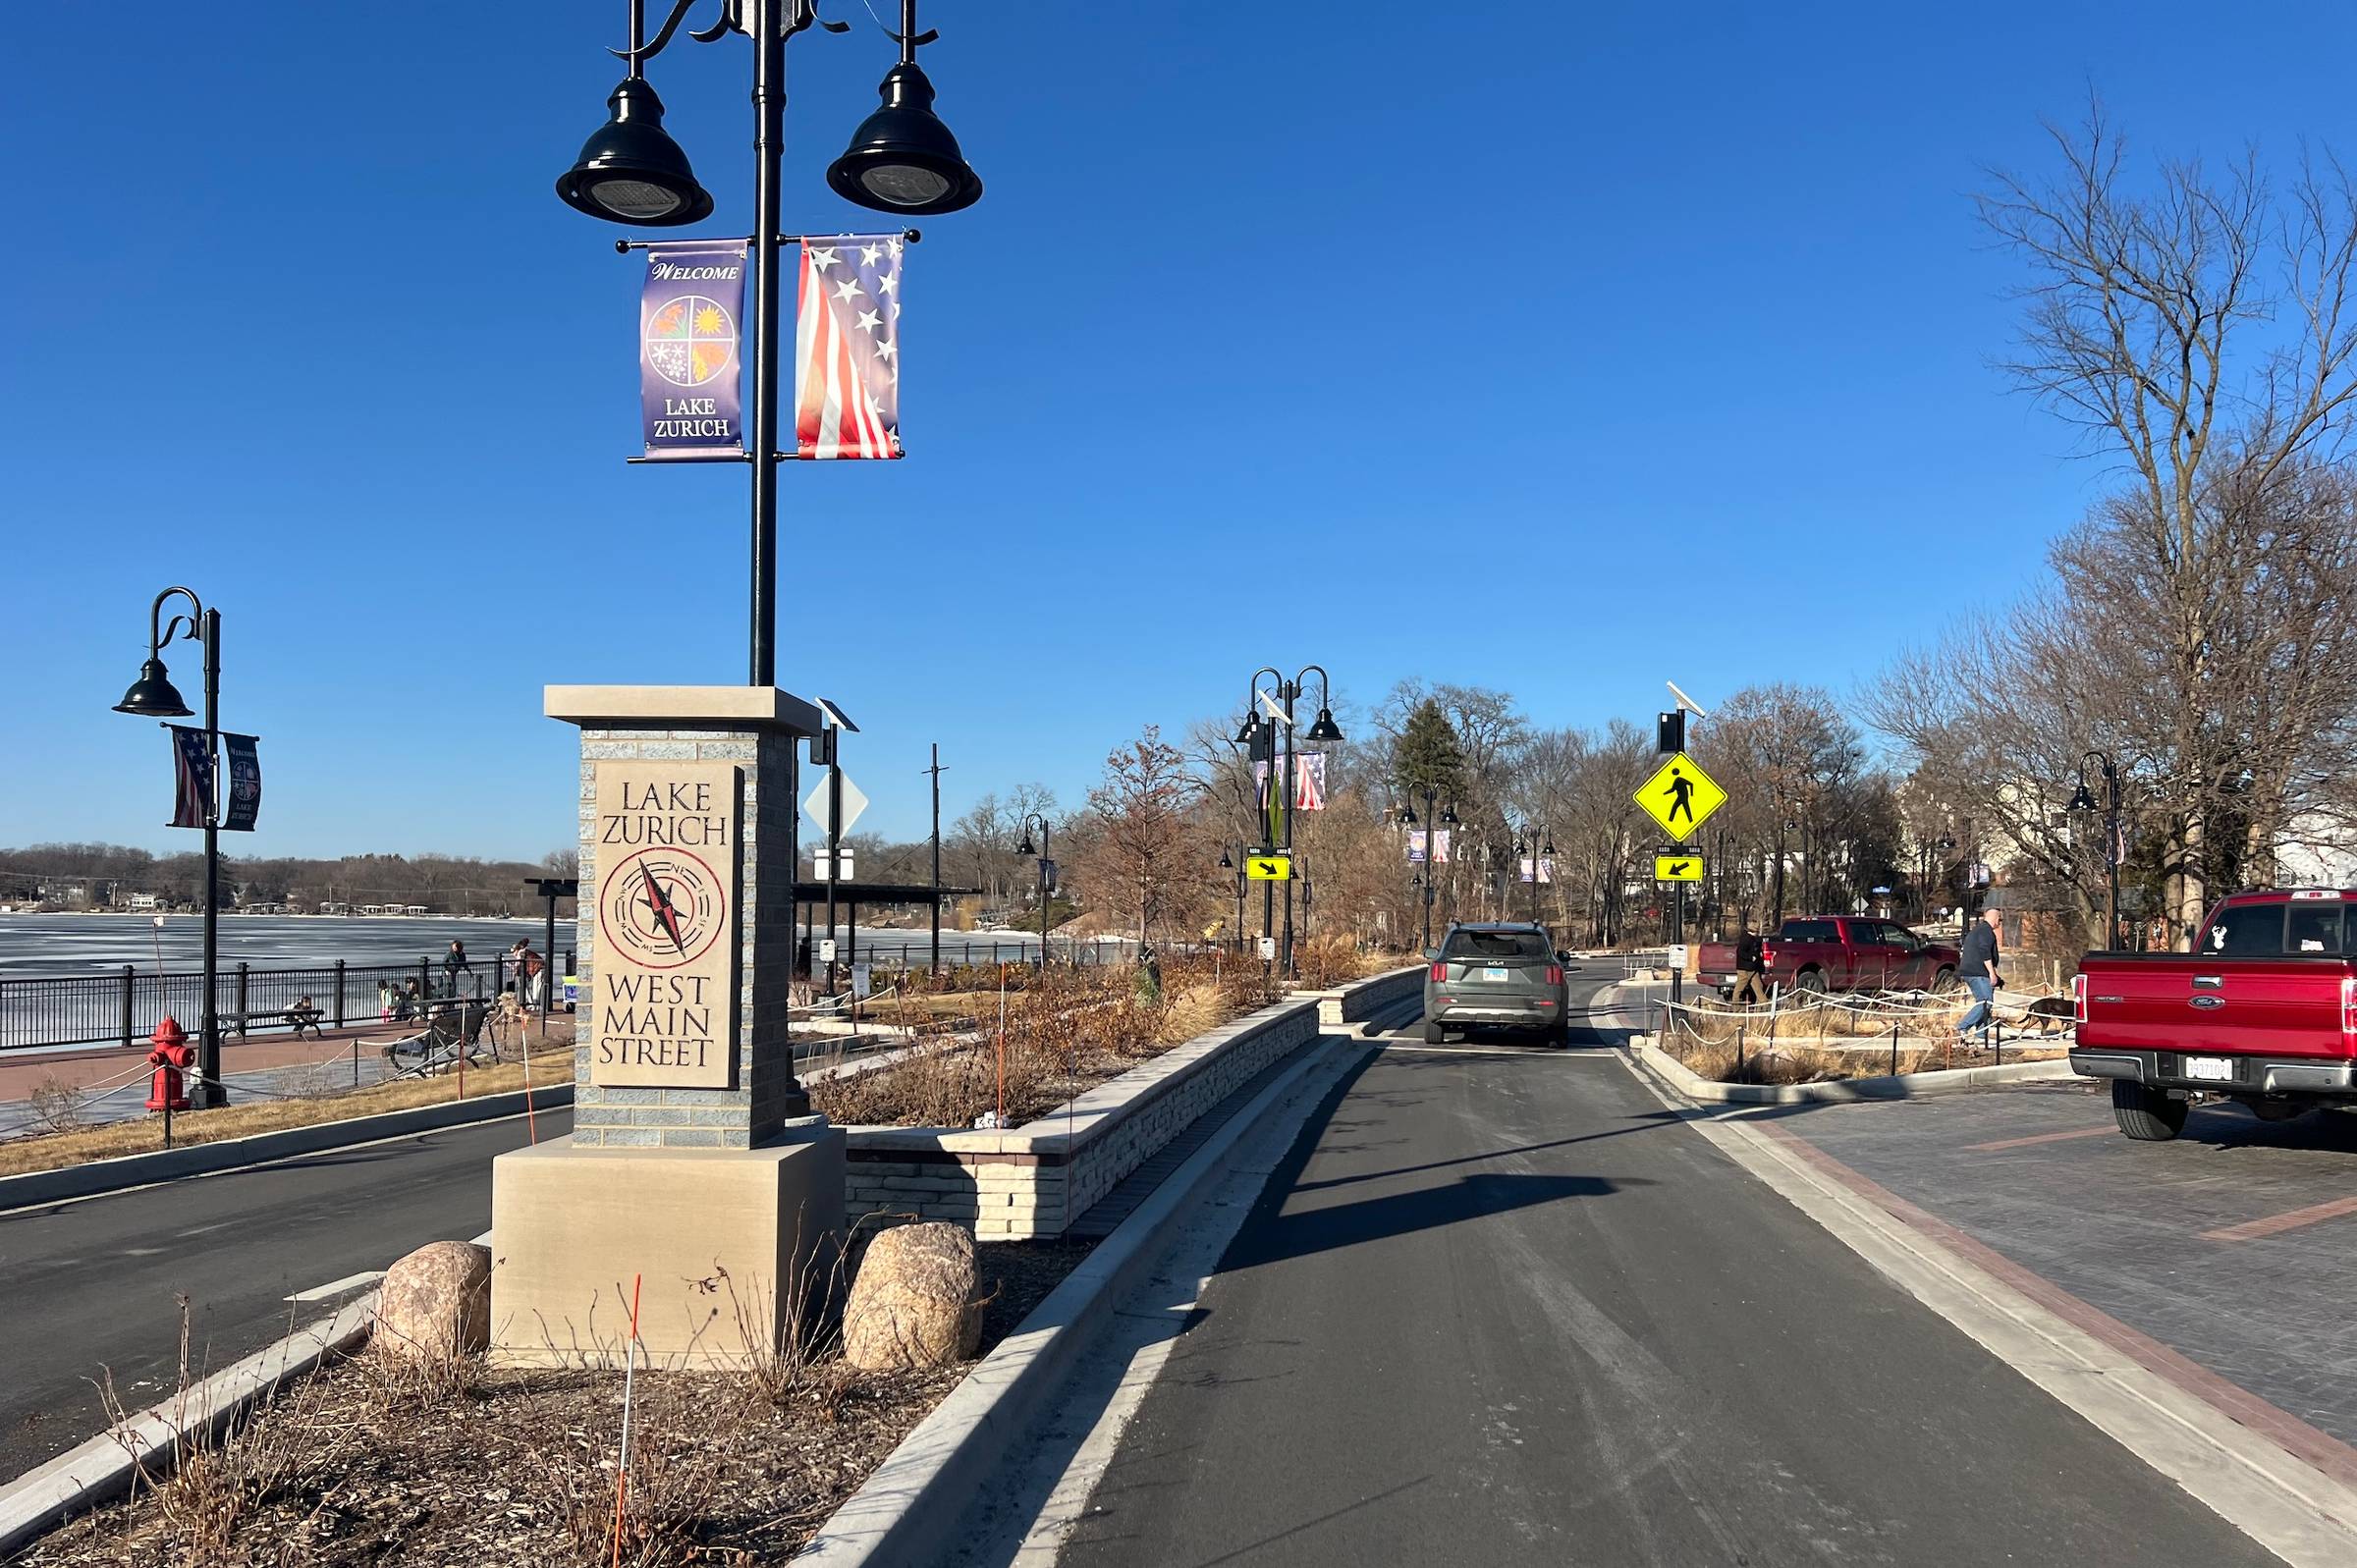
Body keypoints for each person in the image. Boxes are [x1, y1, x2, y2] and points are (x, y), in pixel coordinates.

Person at [1956, 905, 2004, 1047]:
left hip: (1972, 971)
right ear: (1994, 918)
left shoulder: (1979, 930)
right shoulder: (1986, 931)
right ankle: (1962, 1026)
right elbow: (1984, 951)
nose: (2000, 922)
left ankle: (1981, 1033)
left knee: (1984, 1003)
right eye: (1999, 919)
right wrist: (1991, 973)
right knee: (1985, 1002)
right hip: (1978, 972)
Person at [1729, 922, 1769, 1007]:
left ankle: (1765, 1004)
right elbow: (1740, 952)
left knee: (1758, 986)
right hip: (1745, 968)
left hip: (1752, 968)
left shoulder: (1754, 939)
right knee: (1740, 987)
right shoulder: (1746, 939)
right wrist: (1751, 957)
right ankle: (1735, 1005)